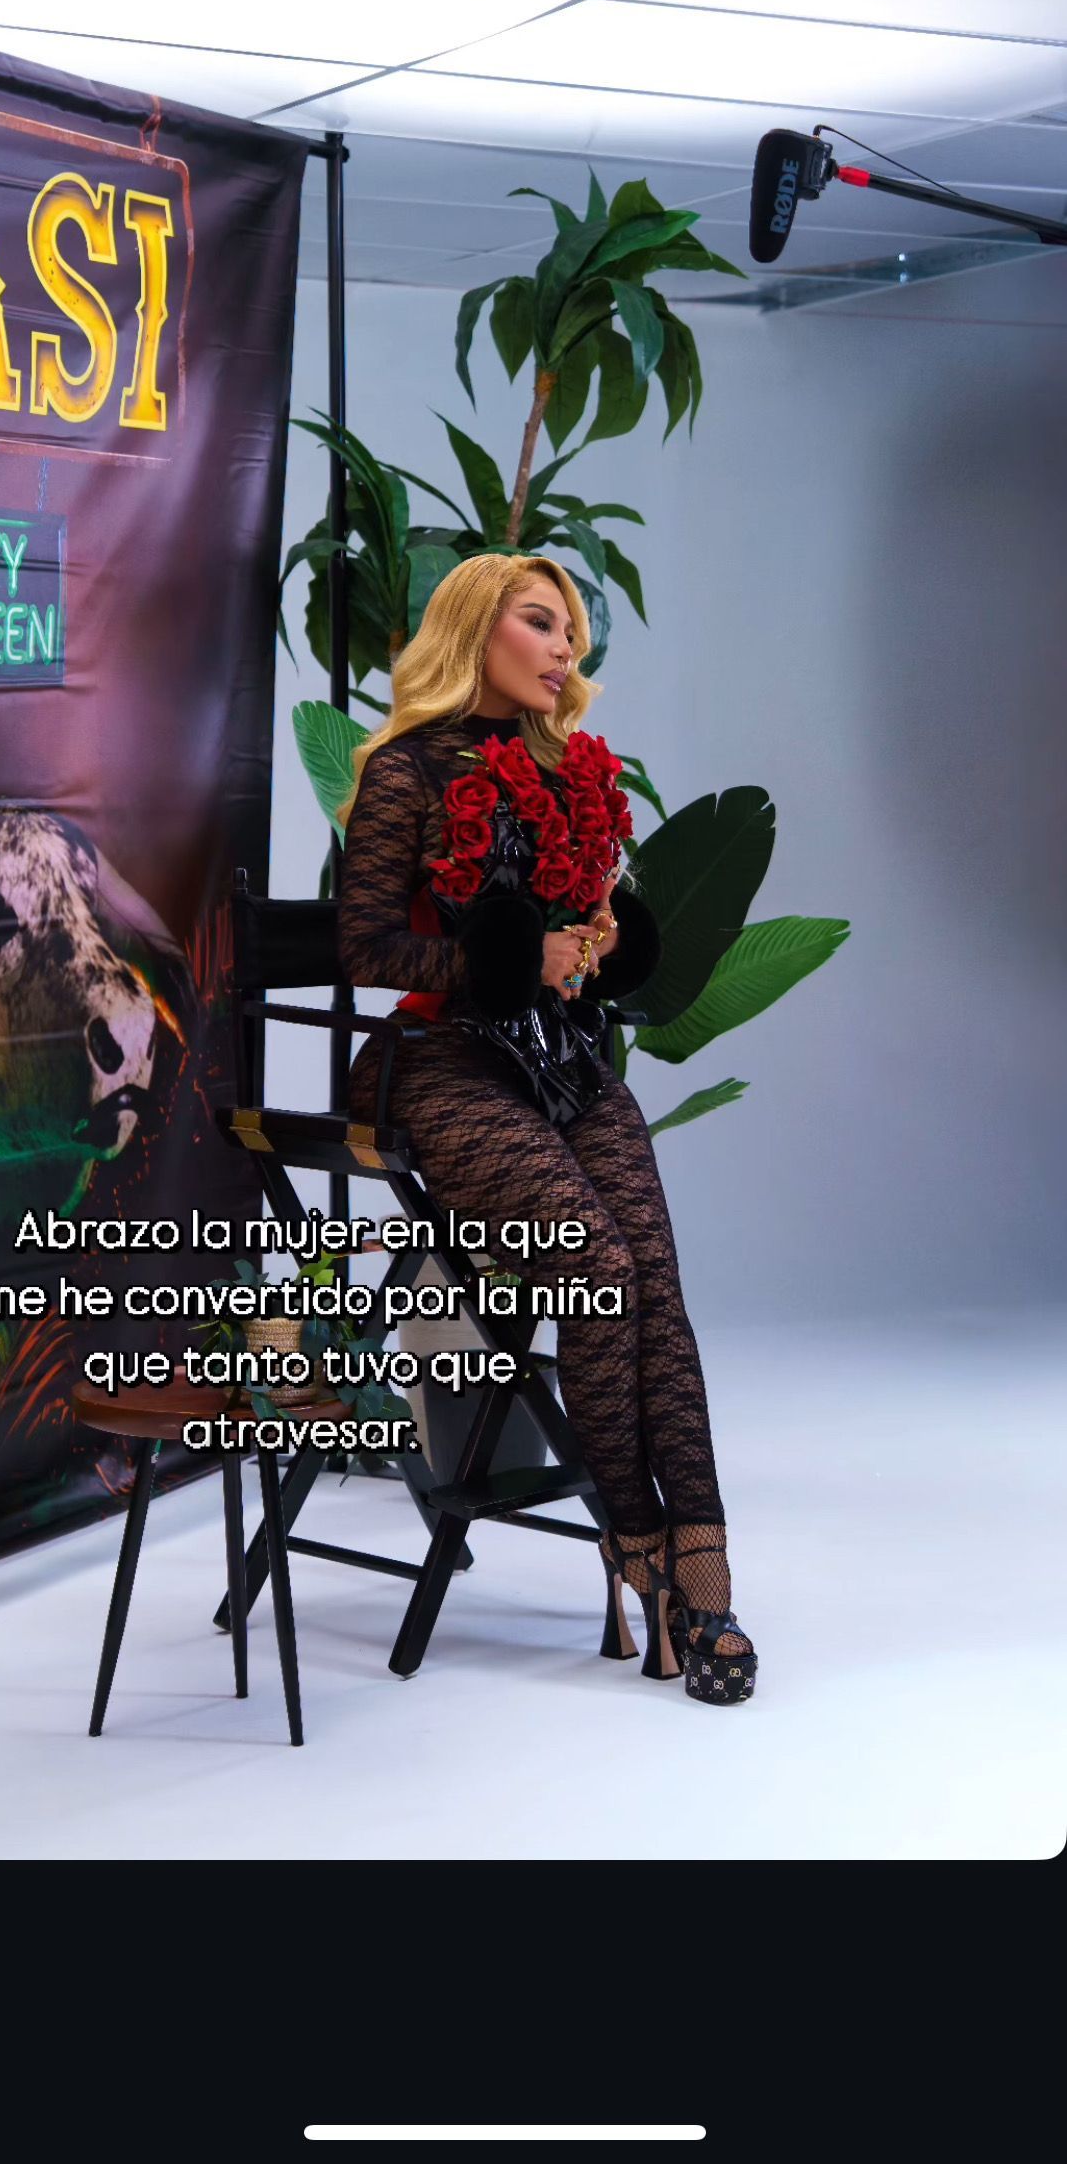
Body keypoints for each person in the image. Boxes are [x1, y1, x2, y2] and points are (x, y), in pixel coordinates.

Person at [336, 553, 756, 1704]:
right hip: (443, 1064)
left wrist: (599, 945)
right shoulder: (407, 771)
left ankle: (703, 1570)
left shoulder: (566, 770)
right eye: (542, 621)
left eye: (572, 629)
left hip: (558, 1059)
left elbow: (576, 933)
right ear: (478, 627)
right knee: (599, 1270)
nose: (567, 646)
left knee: (651, 1282)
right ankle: (641, 1547)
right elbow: (364, 949)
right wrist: (515, 961)